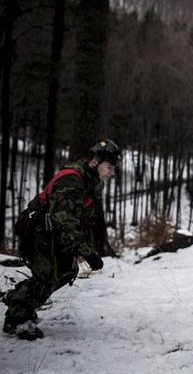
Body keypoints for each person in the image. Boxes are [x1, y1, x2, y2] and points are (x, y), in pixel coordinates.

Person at [2, 139, 121, 340]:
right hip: (39, 232)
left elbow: (82, 218)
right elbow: (63, 220)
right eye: (109, 167)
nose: (111, 173)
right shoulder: (72, 180)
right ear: (94, 162)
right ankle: (17, 318)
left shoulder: (91, 181)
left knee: (66, 272)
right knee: (47, 275)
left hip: (54, 234)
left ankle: (18, 299)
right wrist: (86, 251)